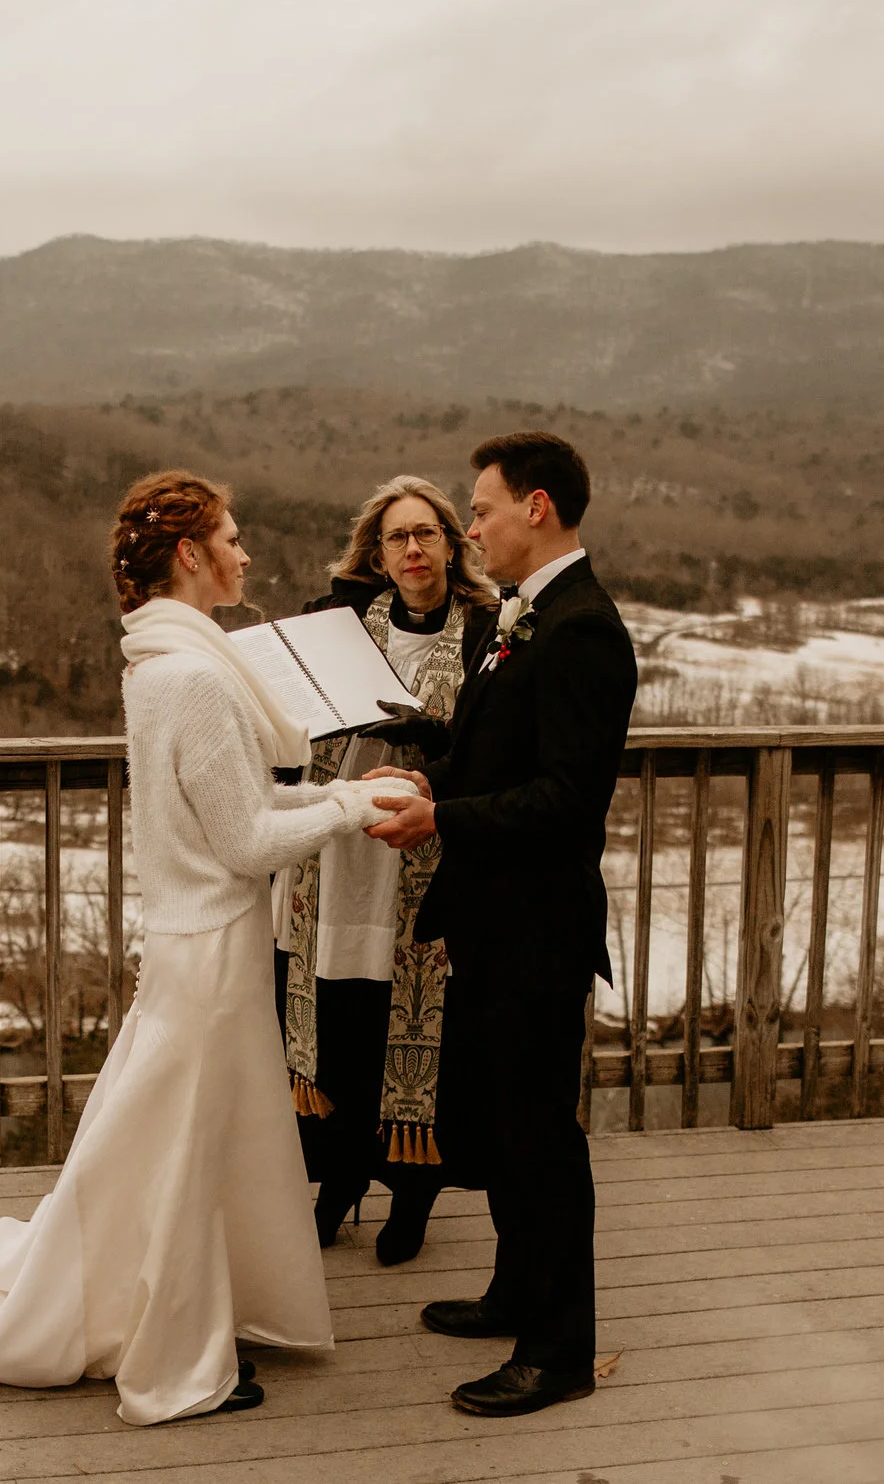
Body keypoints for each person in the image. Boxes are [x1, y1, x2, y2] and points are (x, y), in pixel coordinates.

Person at [0, 469, 394, 1426]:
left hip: (197, 940)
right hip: (210, 950)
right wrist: (354, 805)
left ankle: (179, 1302)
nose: (244, 553)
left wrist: (335, 800)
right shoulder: (195, 676)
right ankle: (179, 1356)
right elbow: (244, 843)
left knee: (177, 1135)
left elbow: (239, 810)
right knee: (187, 1146)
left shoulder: (162, 663)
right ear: (190, 554)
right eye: (232, 537)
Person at [364, 431, 638, 1418]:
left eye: (478, 509)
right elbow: (494, 759)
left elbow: (566, 797)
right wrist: (426, 777)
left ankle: (559, 1348)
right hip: (489, 920)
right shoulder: (521, 618)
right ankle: (516, 1290)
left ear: (537, 507)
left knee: (542, 1139)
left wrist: (440, 817)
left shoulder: (582, 629)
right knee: (506, 1127)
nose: (467, 526)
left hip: (537, 926)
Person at [276, 475, 497, 1264]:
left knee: (410, 1039)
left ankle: (411, 1195)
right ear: (377, 550)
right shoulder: (334, 627)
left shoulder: (484, 632)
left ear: (452, 545)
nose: (412, 549)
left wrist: (438, 733)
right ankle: (337, 1184)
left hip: (425, 858)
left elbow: (494, 748)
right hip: (338, 859)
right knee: (342, 1028)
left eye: (427, 534)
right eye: (397, 537)